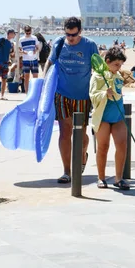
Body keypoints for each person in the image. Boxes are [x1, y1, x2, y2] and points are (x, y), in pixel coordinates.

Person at [44, 17, 99, 184]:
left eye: (73, 35)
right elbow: (50, 62)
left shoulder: (90, 46)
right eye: (67, 34)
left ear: (80, 31)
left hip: (82, 96)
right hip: (62, 94)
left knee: (81, 134)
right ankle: (67, 171)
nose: (70, 38)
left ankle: (83, 155)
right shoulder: (59, 44)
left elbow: (98, 69)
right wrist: (43, 82)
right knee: (64, 132)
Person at [89, 46, 130, 189]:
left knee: (122, 145)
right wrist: (104, 94)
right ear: (107, 61)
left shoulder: (118, 76)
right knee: (103, 147)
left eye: (120, 65)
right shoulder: (97, 76)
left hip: (118, 116)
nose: (118, 68)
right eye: (116, 64)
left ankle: (119, 178)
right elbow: (93, 96)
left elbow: (119, 93)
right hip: (103, 117)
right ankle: (101, 177)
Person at [0, 28, 16, 100]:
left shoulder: (11, 43)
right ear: (10, 33)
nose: (14, 35)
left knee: (4, 79)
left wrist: (12, 56)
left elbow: (10, 53)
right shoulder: (2, 39)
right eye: (13, 33)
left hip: (5, 63)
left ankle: (2, 95)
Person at [19, 25, 41, 93]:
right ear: (24, 31)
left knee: (35, 78)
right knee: (26, 78)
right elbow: (19, 49)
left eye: (29, 33)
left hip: (34, 59)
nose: (28, 34)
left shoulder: (34, 38)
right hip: (25, 60)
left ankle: (35, 93)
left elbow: (37, 47)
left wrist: (35, 50)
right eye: (27, 33)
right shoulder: (21, 39)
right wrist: (23, 52)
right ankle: (27, 93)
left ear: (31, 31)